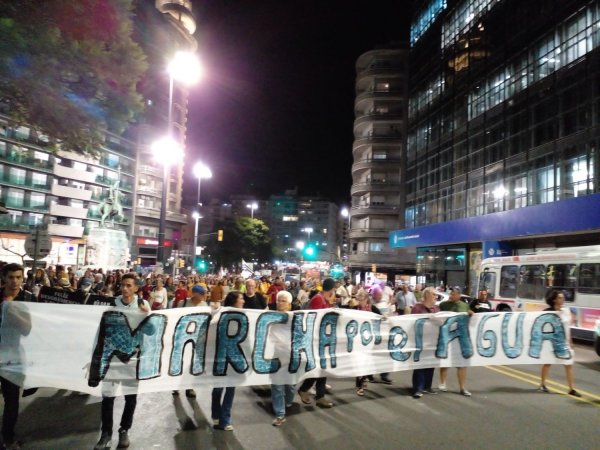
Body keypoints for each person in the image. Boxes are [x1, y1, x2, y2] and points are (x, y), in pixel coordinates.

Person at [94, 273, 150, 450]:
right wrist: (94, 358)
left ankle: (124, 430)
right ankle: (106, 434)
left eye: (129, 285)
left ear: (136, 288)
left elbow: (151, 331)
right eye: (123, 285)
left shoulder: (142, 304)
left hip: (132, 358)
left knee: (130, 398)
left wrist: (145, 315)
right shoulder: (111, 305)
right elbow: (100, 331)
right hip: (111, 359)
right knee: (107, 398)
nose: (125, 289)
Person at [1, 263, 33, 450]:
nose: (15, 281)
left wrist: (11, 310)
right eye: (11, 277)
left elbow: (27, 329)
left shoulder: (26, 299)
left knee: (12, 401)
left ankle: (8, 439)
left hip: (13, 356)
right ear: (4, 278)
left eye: (18, 277)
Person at [297, 278, 336, 408]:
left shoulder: (324, 300)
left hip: (322, 339)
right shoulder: (319, 299)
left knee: (322, 368)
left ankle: (320, 396)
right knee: (318, 367)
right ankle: (304, 389)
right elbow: (314, 319)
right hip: (315, 339)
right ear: (331, 289)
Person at [212, 291, 244, 431]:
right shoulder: (222, 314)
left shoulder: (246, 315)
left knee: (230, 389)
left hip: (235, 358)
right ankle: (216, 414)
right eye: (241, 299)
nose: (243, 301)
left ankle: (225, 419)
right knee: (218, 389)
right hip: (220, 357)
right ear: (234, 301)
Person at [539, 289, 581, 397]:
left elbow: (568, 328)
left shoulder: (566, 311)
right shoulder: (549, 312)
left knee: (568, 364)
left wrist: (570, 341)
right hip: (553, 342)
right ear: (554, 300)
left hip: (564, 342)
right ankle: (542, 384)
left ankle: (571, 388)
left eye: (563, 297)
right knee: (548, 363)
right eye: (560, 297)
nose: (563, 299)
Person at [438, 286, 473, 396]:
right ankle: (442, 383)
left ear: (459, 295)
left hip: (460, 338)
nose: (451, 295)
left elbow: (468, 316)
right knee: (445, 361)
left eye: (453, 294)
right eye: (451, 293)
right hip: (448, 336)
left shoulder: (464, 306)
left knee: (462, 364)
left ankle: (462, 387)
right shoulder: (444, 305)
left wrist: (470, 313)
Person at [270, 290, 298, 426]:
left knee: (291, 384)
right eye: (278, 300)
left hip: (291, 354)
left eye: (283, 301)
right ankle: (280, 413)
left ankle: (288, 402)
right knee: (277, 385)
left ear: (289, 304)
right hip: (276, 355)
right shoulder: (270, 316)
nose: (280, 303)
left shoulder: (295, 317)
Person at [350, 289, 382, 396]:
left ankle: (361, 382)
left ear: (366, 298)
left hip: (368, 340)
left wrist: (385, 319)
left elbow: (381, 317)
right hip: (358, 340)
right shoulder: (355, 309)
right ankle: (359, 384)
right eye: (358, 298)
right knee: (358, 362)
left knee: (366, 362)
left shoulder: (372, 309)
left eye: (361, 298)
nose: (359, 300)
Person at [411, 287, 440, 398]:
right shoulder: (417, 308)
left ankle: (427, 386)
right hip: (420, 341)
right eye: (434, 294)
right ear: (427, 295)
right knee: (419, 365)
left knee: (430, 364)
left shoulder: (436, 309)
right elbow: (412, 322)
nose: (435, 297)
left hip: (432, 341)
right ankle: (417, 388)